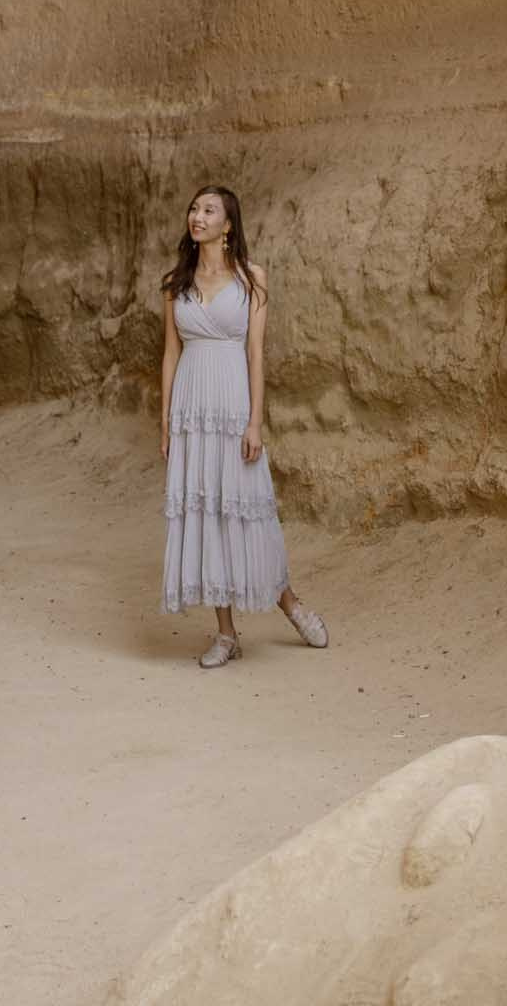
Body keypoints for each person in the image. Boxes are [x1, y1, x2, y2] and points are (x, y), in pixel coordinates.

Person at [160, 184, 328, 667]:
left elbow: (256, 353)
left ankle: (290, 605)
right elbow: (170, 355)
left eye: (209, 210)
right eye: (194, 208)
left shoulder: (253, 278)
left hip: (232, 406)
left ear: (228, 225)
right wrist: (166, 422)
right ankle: (226, 633)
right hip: (192, 410)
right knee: (207, 512)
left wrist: (255, 421)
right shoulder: (176, 281)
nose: (198, 216)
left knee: (249, 509)